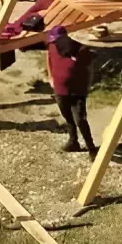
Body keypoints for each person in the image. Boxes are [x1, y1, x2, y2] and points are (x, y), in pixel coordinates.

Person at [46, 26, 96, 154]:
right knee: (67, 117)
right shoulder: (52, 46)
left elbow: (89, 69)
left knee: (80, 120)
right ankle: (73, 142)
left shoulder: (82, 50)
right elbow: (49, 60)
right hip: (59, 89)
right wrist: (50, 77)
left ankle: (91, 149)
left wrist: (86, 87)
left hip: (77, 91)